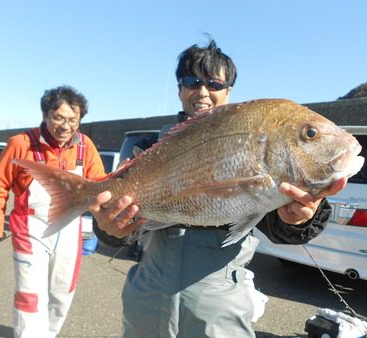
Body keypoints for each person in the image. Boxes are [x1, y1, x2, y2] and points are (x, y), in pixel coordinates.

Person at [90, 39, 347, 338]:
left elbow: (278, 225)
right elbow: (123, 230)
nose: (202, 91)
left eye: (213, 83)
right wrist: (109, 228)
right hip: (147, 298)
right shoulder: (147, 150)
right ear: (179, 89)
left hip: (219, 309)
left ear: (228, 92)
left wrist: (302, 217)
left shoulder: (250, 143)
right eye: (192, 81)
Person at [0, 85, 106, 338]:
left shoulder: (85, 146)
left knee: (63, 292)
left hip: (70, 228)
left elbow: (101, 184)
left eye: (73, 120)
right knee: (30, 294)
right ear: (45, 114)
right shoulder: (20, 143)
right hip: (30, 229)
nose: (65, 126)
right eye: (58, 117)